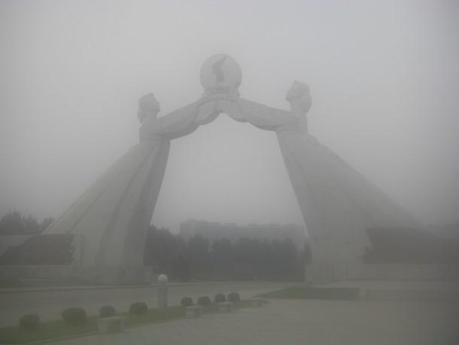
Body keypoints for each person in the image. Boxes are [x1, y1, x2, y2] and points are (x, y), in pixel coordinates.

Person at [212, 82, 418, 272]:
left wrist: (232, 100)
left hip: (316, 173)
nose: (302, 97)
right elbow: (260, 114)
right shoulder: (293, 120)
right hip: (311, 171)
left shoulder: (293, 120)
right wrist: (231, 100)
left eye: (300, 92)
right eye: (301, 93)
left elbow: (261, 115)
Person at [45, 93, 215, 268]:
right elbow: (179, 122)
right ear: (147, 106)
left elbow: (179, 121)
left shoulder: (154, 125)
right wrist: (200, 103)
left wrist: (201, 104)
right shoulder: (150, 126)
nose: (158, 102)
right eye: (154, 100)